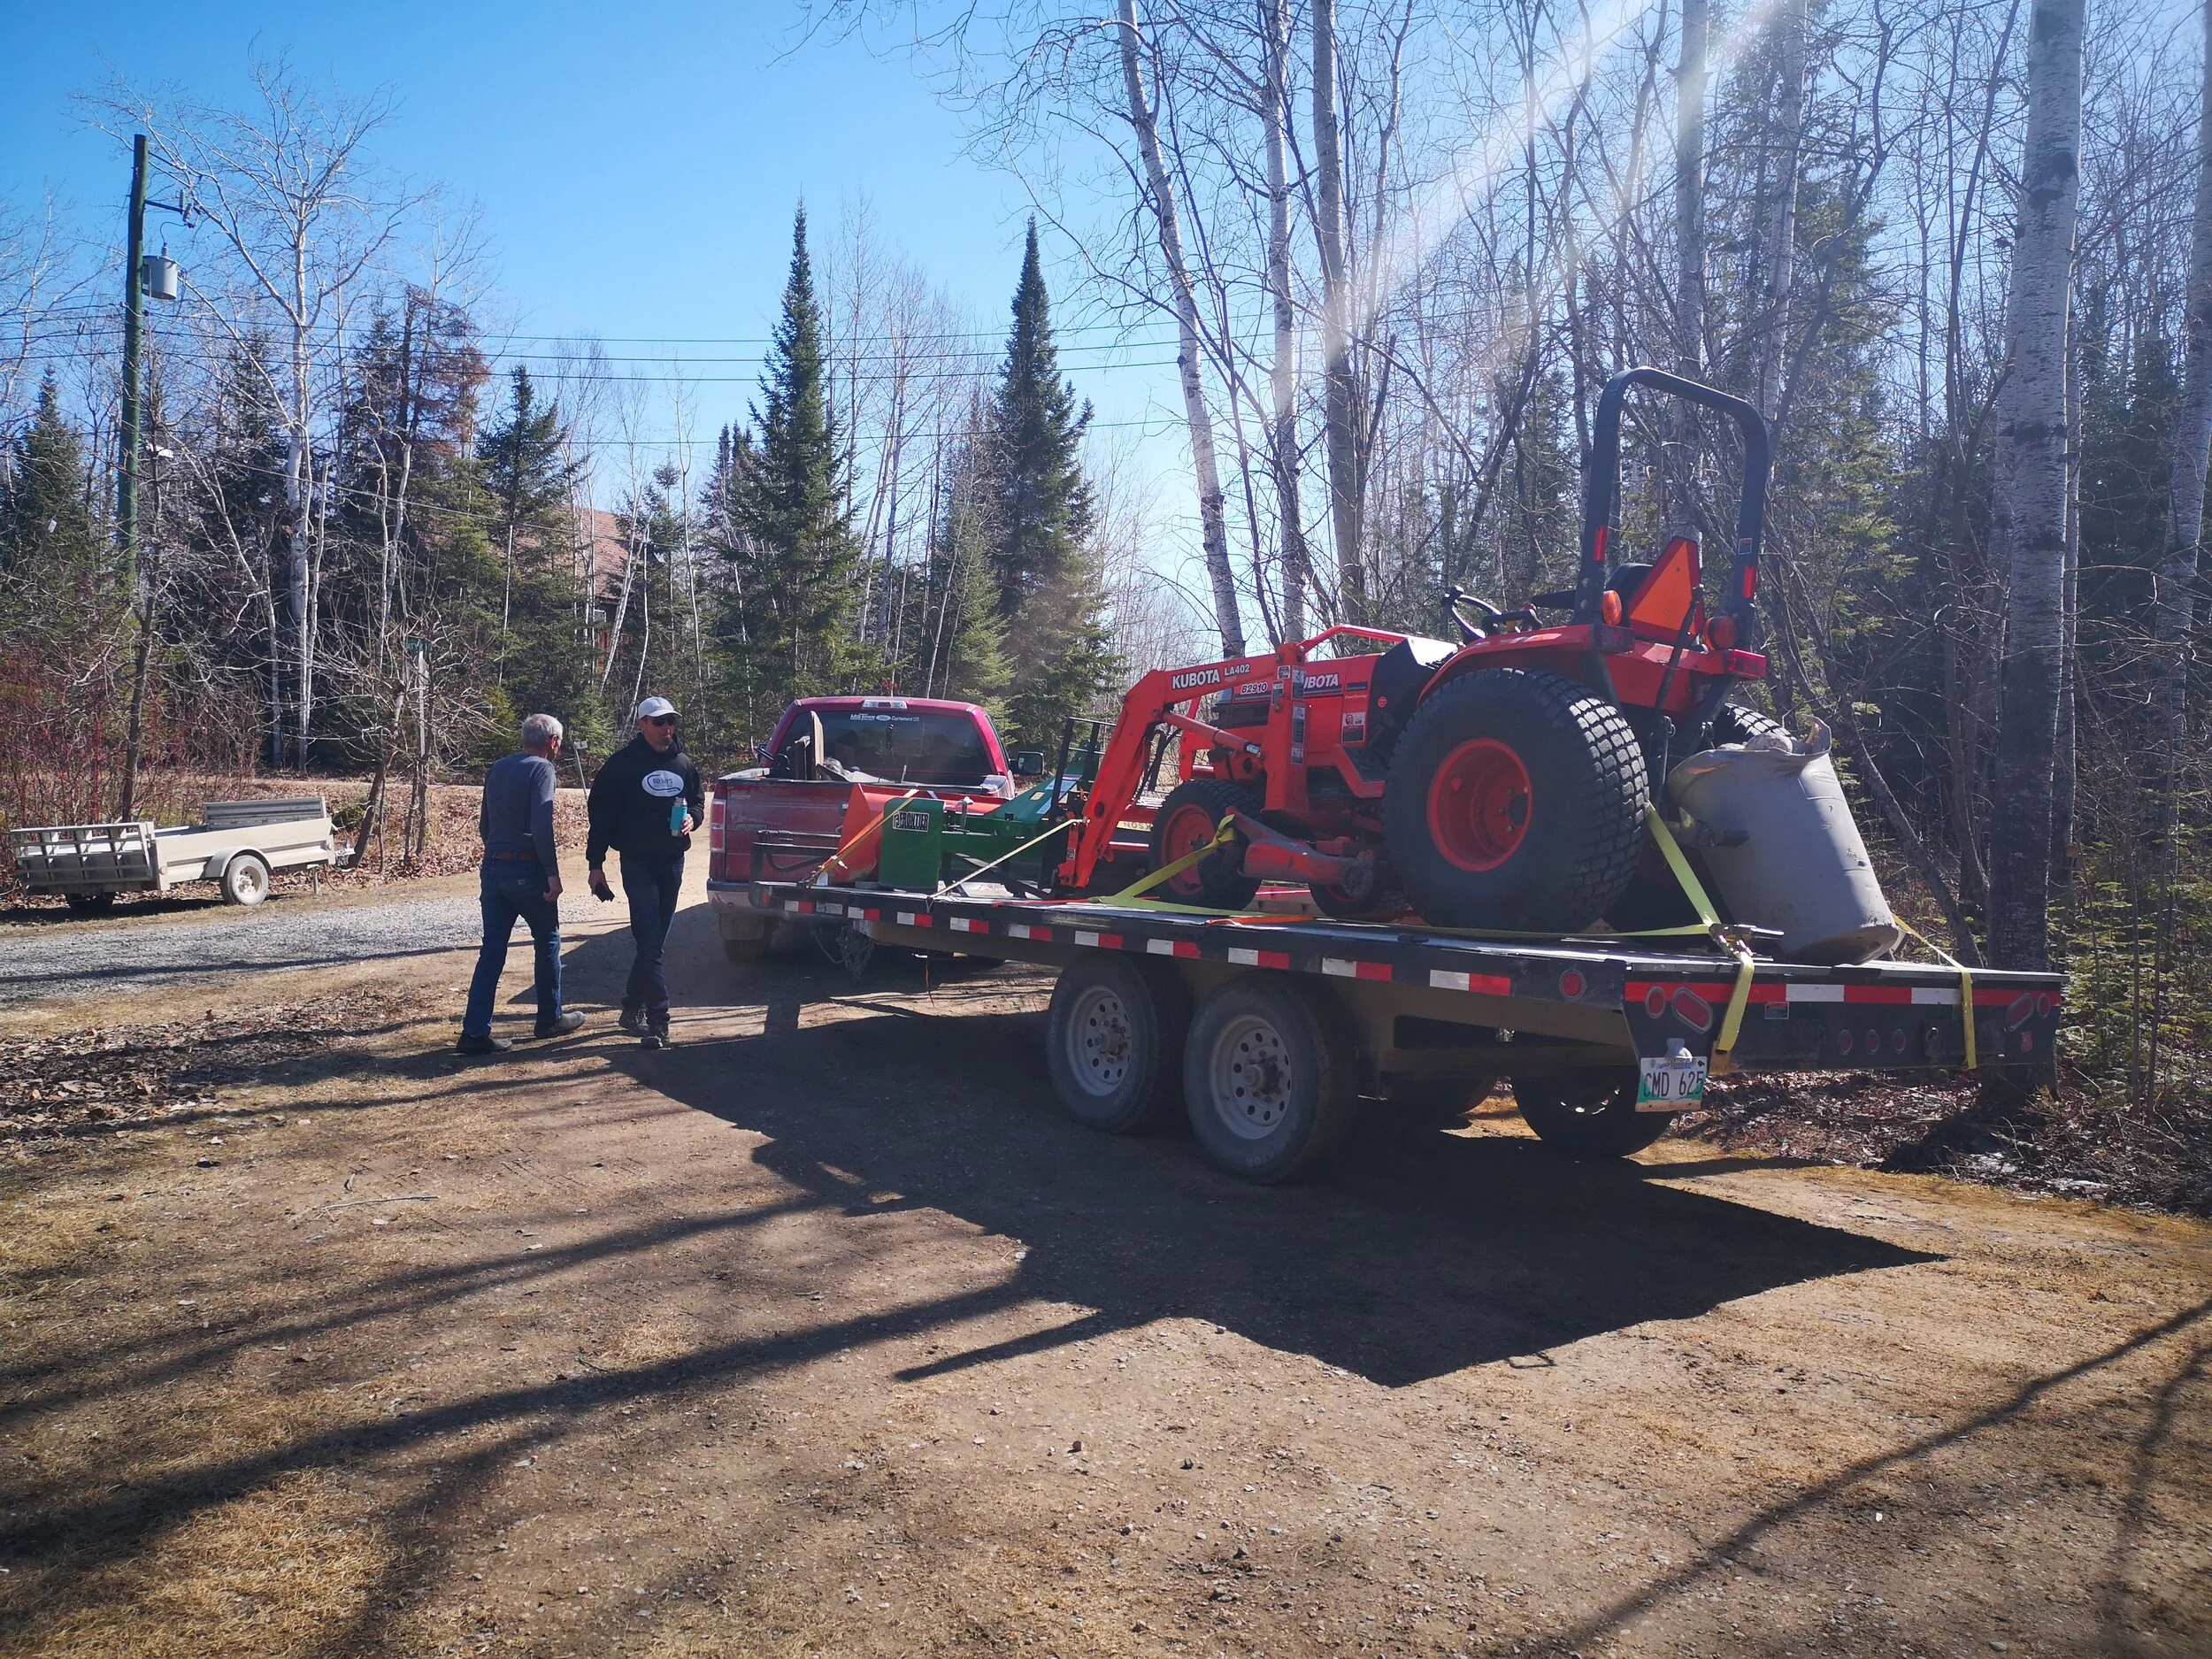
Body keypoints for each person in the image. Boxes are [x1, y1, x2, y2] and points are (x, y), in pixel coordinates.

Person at [458, 712, 586, 1055]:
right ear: (553, 742)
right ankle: (549, 1018)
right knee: (547, 938)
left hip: (494, 868)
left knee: (492, 950)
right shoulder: (542, 769)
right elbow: (542, 824)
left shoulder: (499, 767)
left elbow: (485, 824)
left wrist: (497, 854)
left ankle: (473, 1033)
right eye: (559, 742)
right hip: (526, 869)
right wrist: (552, 873)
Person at [588, 695, 704, 1049]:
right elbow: (601, 817)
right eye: (659, 722)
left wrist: (692, 819)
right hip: (637, 862)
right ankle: (659, 1020)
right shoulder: (621, 765)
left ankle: (631, 1006)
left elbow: (697, 800)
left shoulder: (683, 764)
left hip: (673, 862)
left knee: (653, 943)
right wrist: (596, 865)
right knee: (650, 942)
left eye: (671, 721)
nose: (667, 728)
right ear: (642, 724)